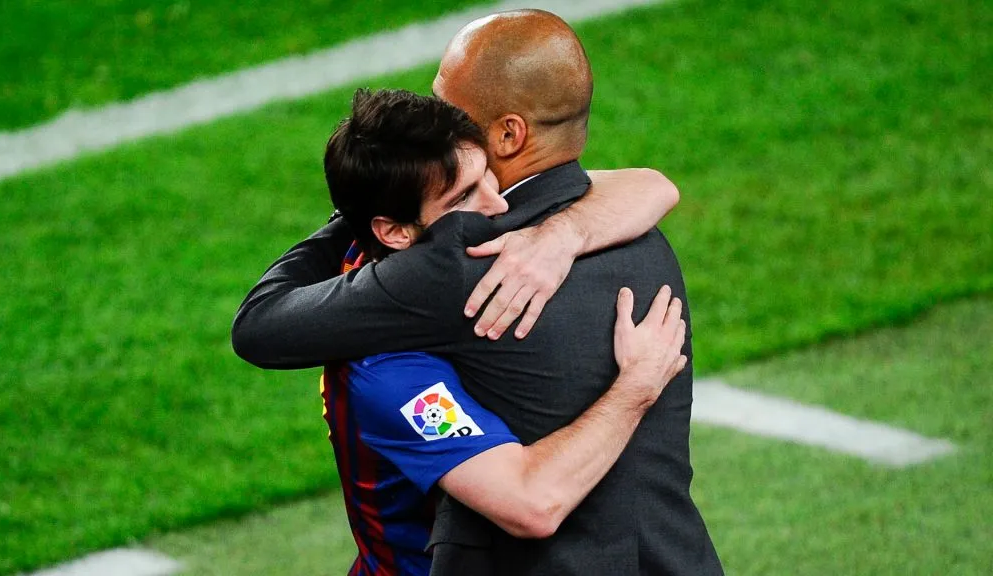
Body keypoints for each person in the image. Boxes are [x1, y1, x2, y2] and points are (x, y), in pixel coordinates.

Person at [233, 9, 723, 576]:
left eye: (447, 104)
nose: (434, 115)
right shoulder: (644, 238)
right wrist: (569, 228)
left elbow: (261, 327)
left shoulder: (452, 267)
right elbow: (650, 183)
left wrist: (363, 203)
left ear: (507, 133)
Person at [318, 88, 688, 575]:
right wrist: (636, 386)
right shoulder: (388, 371)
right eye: (465, 196)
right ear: (394, 233)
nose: (500, 204)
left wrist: (565, 231)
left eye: (486, 174)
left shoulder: (408, 257)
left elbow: (650, 186)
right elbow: (533, 505)